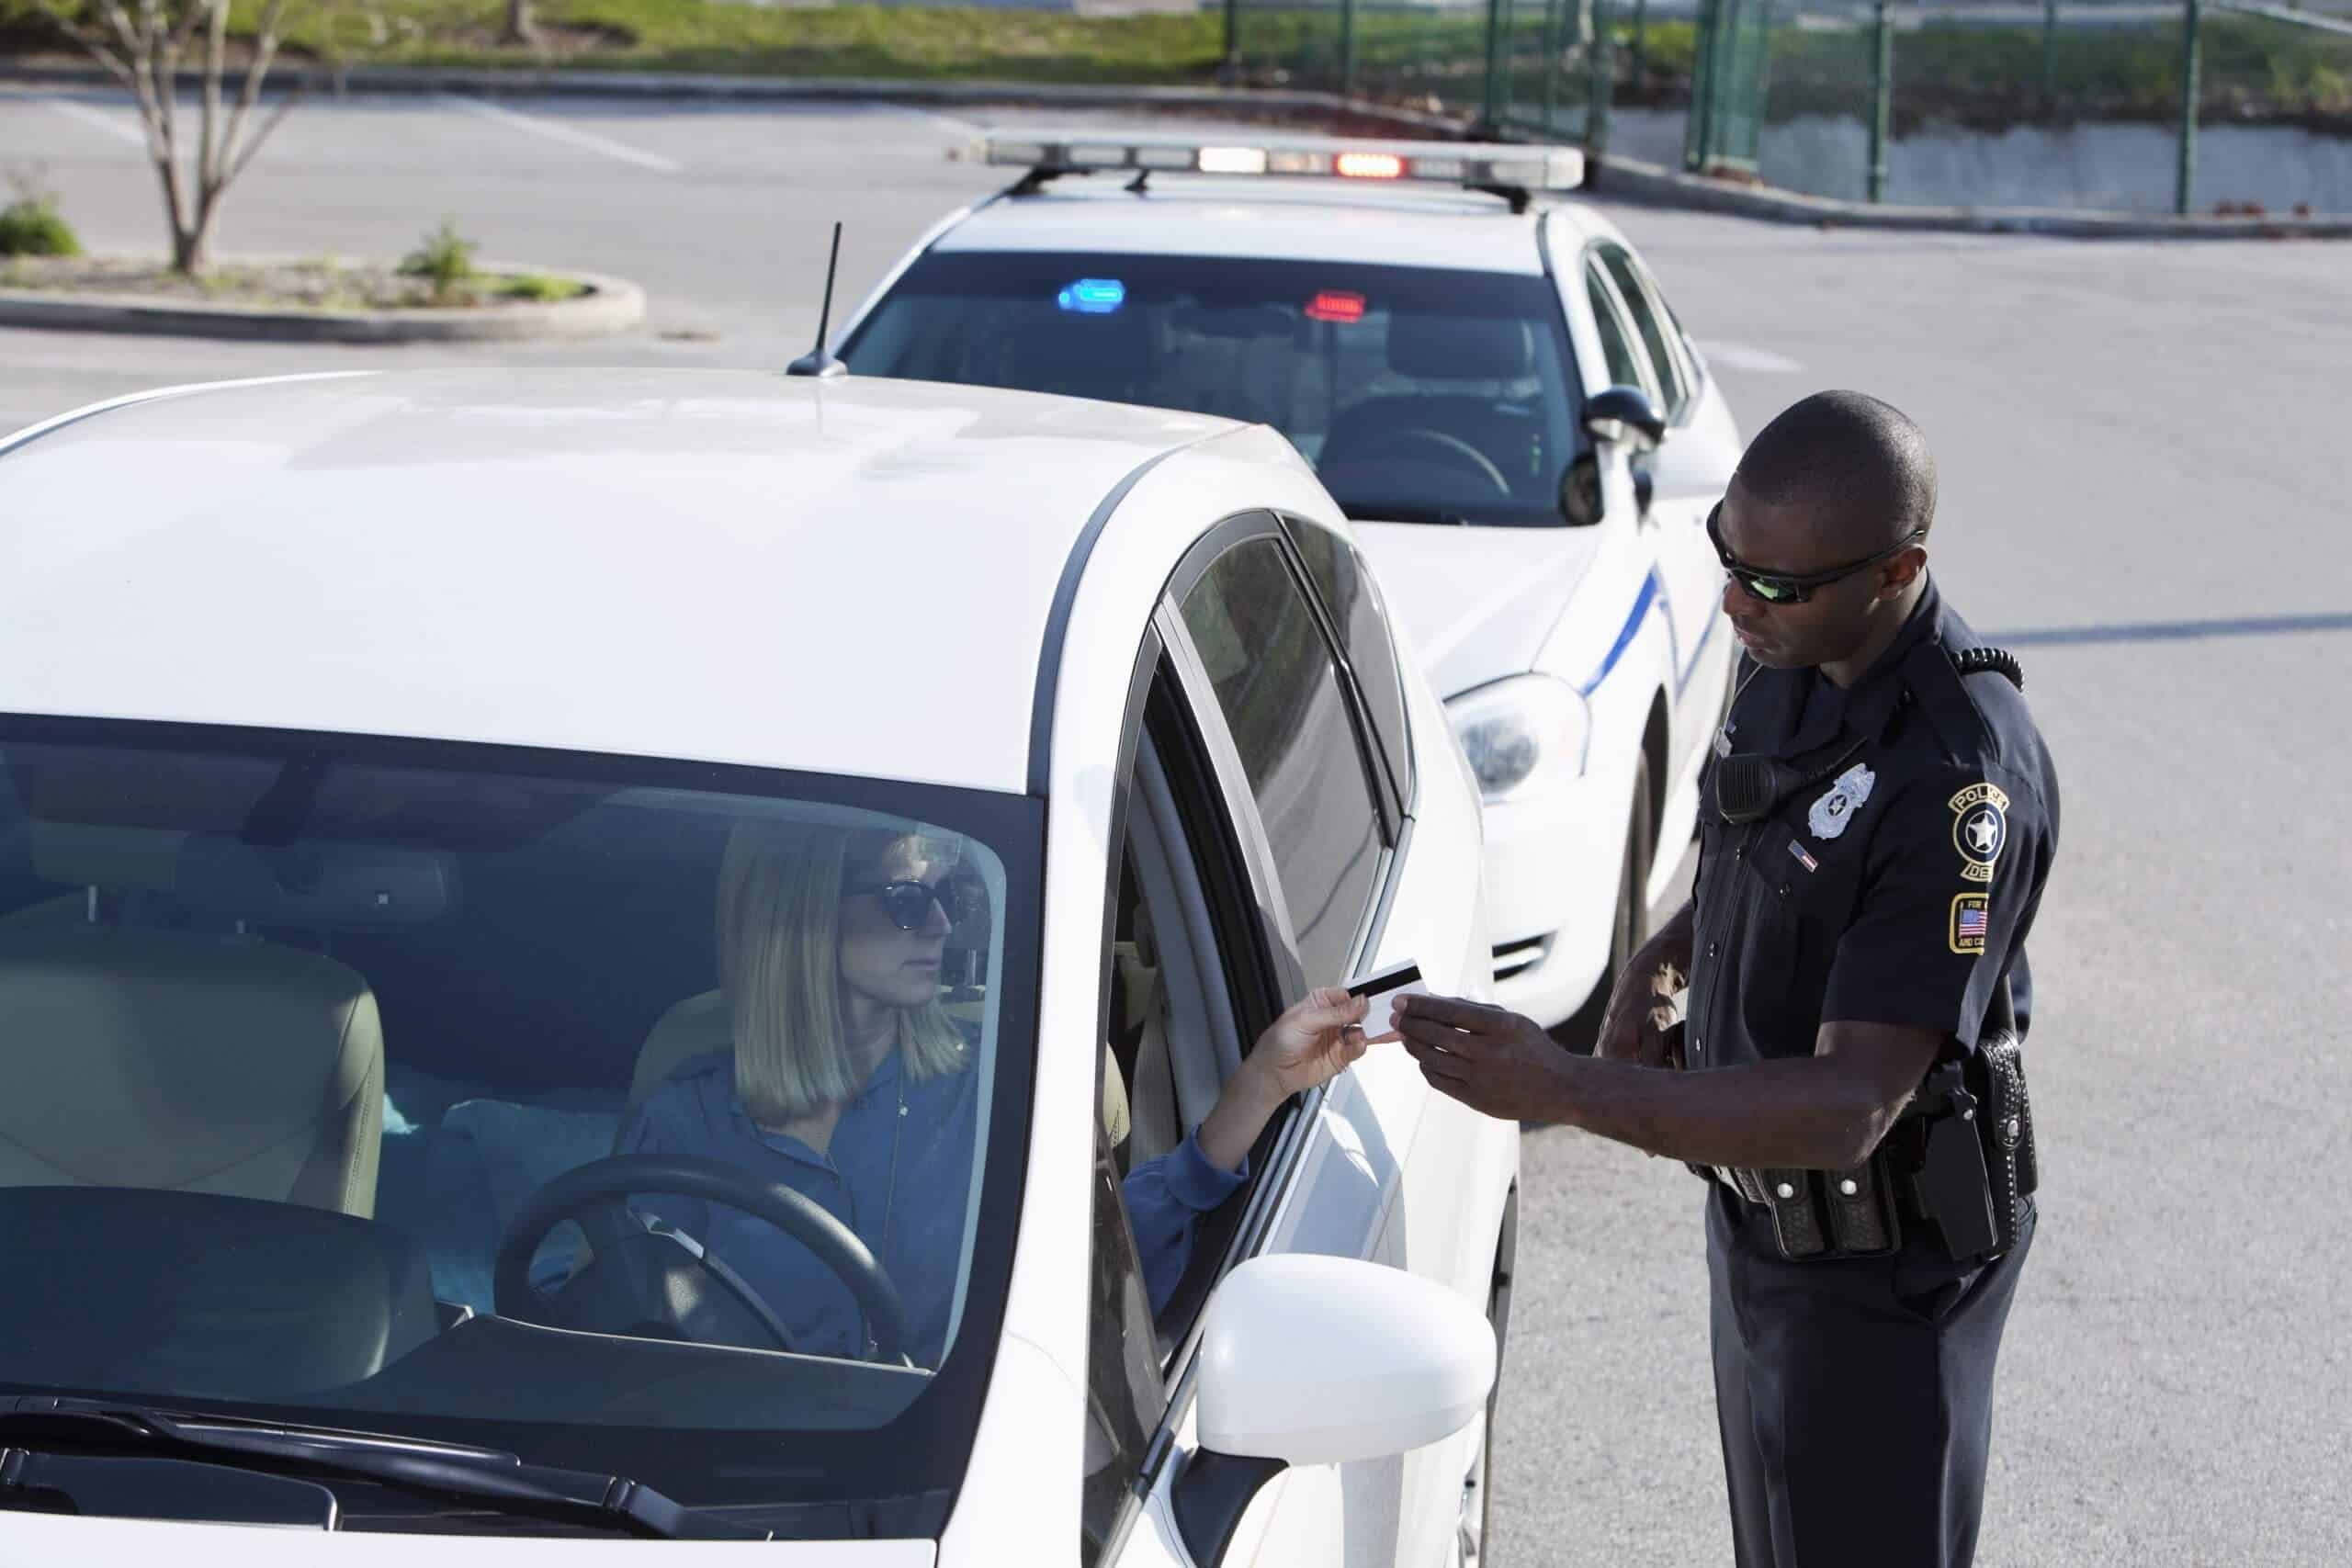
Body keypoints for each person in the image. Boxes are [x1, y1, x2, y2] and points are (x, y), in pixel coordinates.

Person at [1391, 391, 2058, 1568]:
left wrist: (1560, 1089)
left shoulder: (1956, 778)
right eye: (1729, 563)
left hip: (1882, 1288)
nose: (1739, 603)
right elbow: (1753, 863)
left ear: (1896, 569)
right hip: (1764, 1233)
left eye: (1779, 584)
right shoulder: (1789, 658)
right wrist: (1661, 967)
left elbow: (1852, 1103)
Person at [616, 818, 1368, 1365]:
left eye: (947, 894)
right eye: (908, 899)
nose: (941, 923)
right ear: (802, 911)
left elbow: (1110, 1275)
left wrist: (1260, 1085)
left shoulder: (997, 1090)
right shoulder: (680, 1123)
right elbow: (612, 1340)